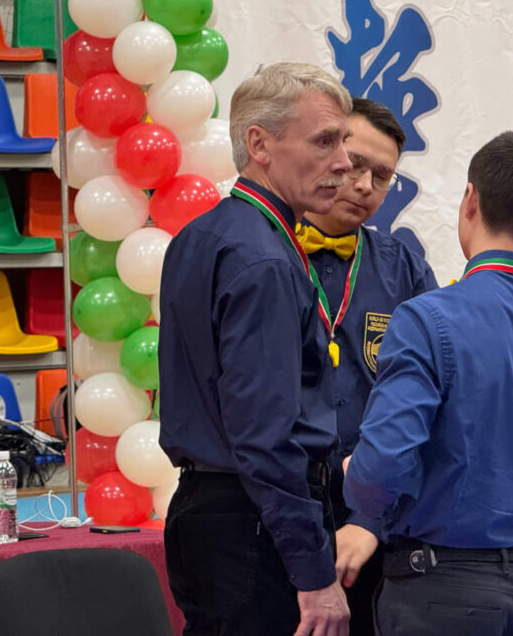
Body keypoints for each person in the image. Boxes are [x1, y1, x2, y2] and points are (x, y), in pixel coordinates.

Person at [341, 130, 513, 636]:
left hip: (443, 586)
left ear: (471, 199)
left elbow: (379, 472)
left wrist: (358, 478)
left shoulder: (426, 319)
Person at [159, 62, 353, 636]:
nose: (344, 162)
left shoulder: (201, 236)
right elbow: (265, 436)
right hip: (254, 522)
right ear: (259, 144)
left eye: (343, 141)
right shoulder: (264, 258)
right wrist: (313, 574)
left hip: (212, 510)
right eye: (325, 141)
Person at [298, 98, 437, 635]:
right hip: (277, 502)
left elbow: (435, 395)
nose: (364, 186)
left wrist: (370, 518)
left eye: (382, 176)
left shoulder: (404, 269)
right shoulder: (265, 254)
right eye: (355, 164)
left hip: (370, 512)